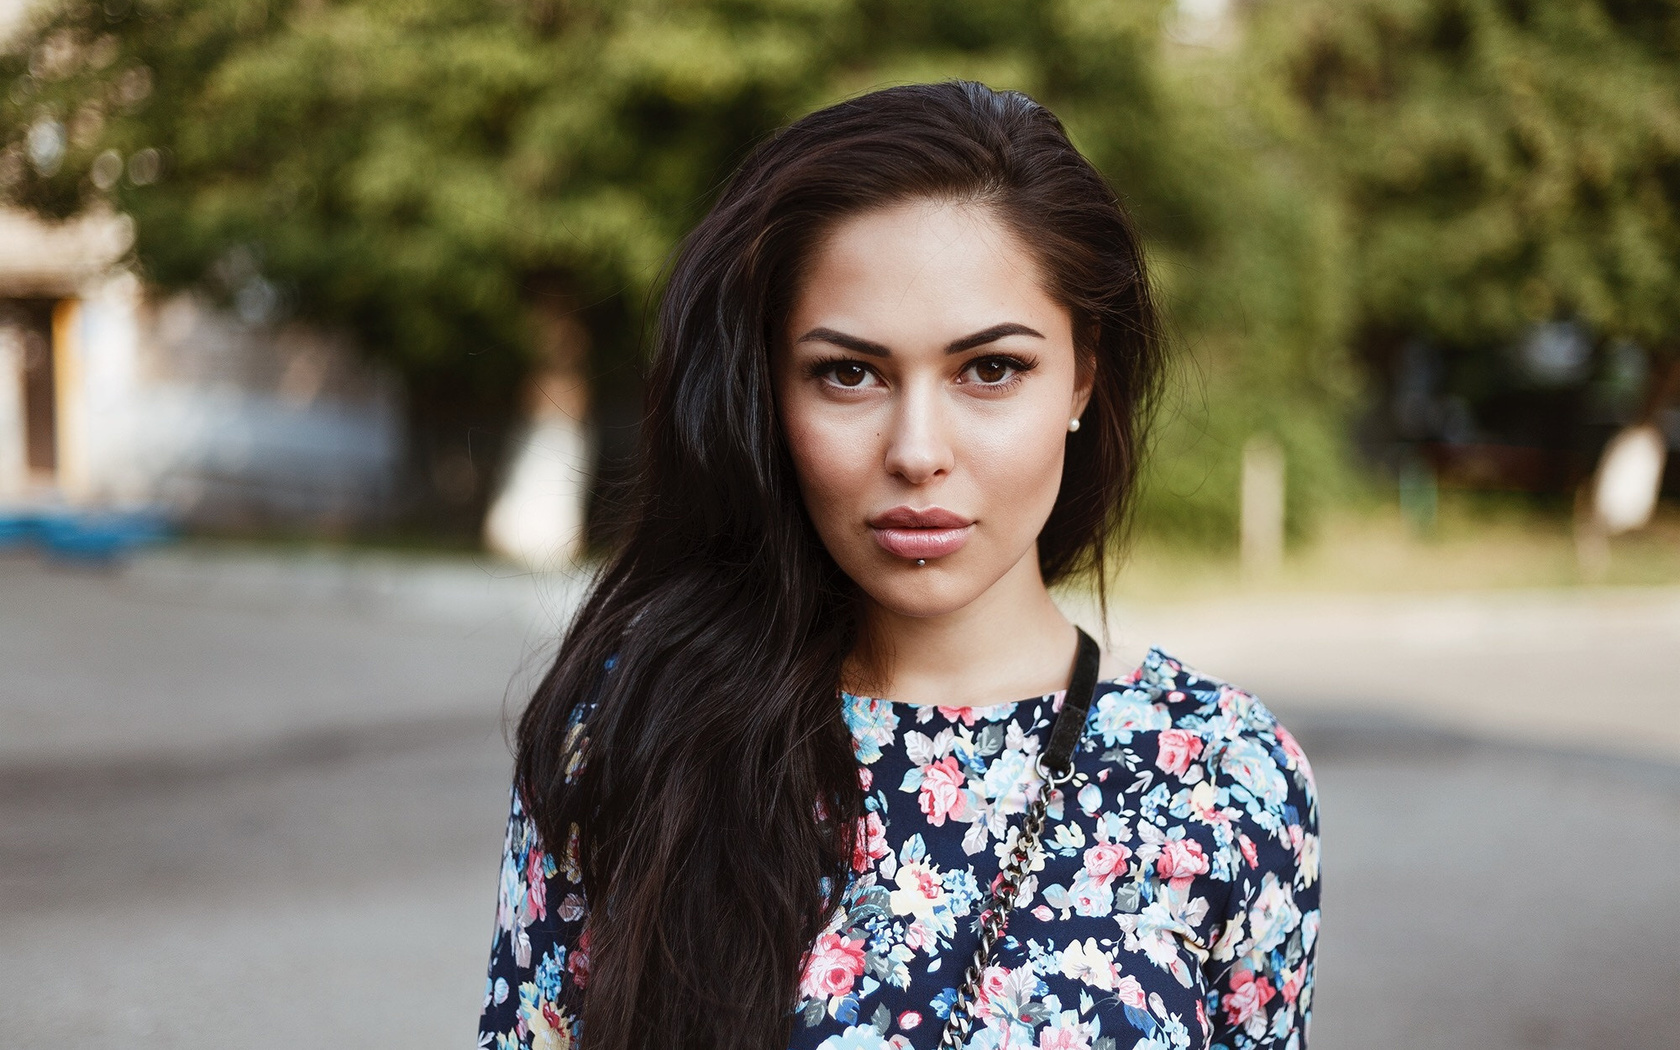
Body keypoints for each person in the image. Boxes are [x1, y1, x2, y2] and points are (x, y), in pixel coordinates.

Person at [478, 81, 1319, 1050]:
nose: (918, 450)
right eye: (850, 373)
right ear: (769, 394)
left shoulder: (1223, 778)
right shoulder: (633, 735)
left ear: (1083, 375)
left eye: (990, 369)